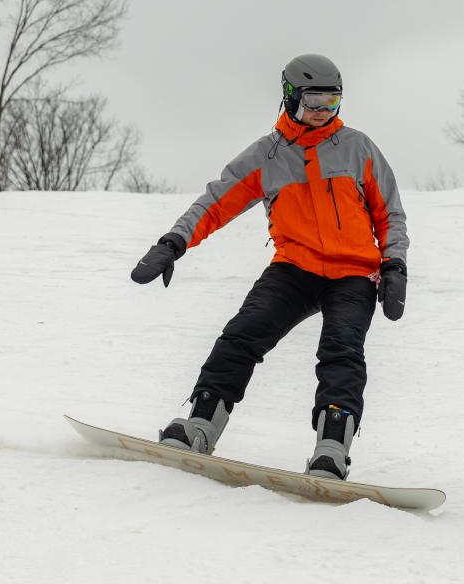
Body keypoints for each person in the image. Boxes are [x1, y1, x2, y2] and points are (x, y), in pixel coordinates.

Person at [129, 53, 408, 481]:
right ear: (290, 97)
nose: (320, 113)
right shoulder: (268, 155)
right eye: (312, 101)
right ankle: (201, 424)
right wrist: (173, 242)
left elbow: (389, 212)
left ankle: (331, 449)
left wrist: (394, 267)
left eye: (331, 103)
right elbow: (215, 203)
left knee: (341, 351)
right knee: (242, 334)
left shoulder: (357, 148)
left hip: (354, 272)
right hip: (294, 268)